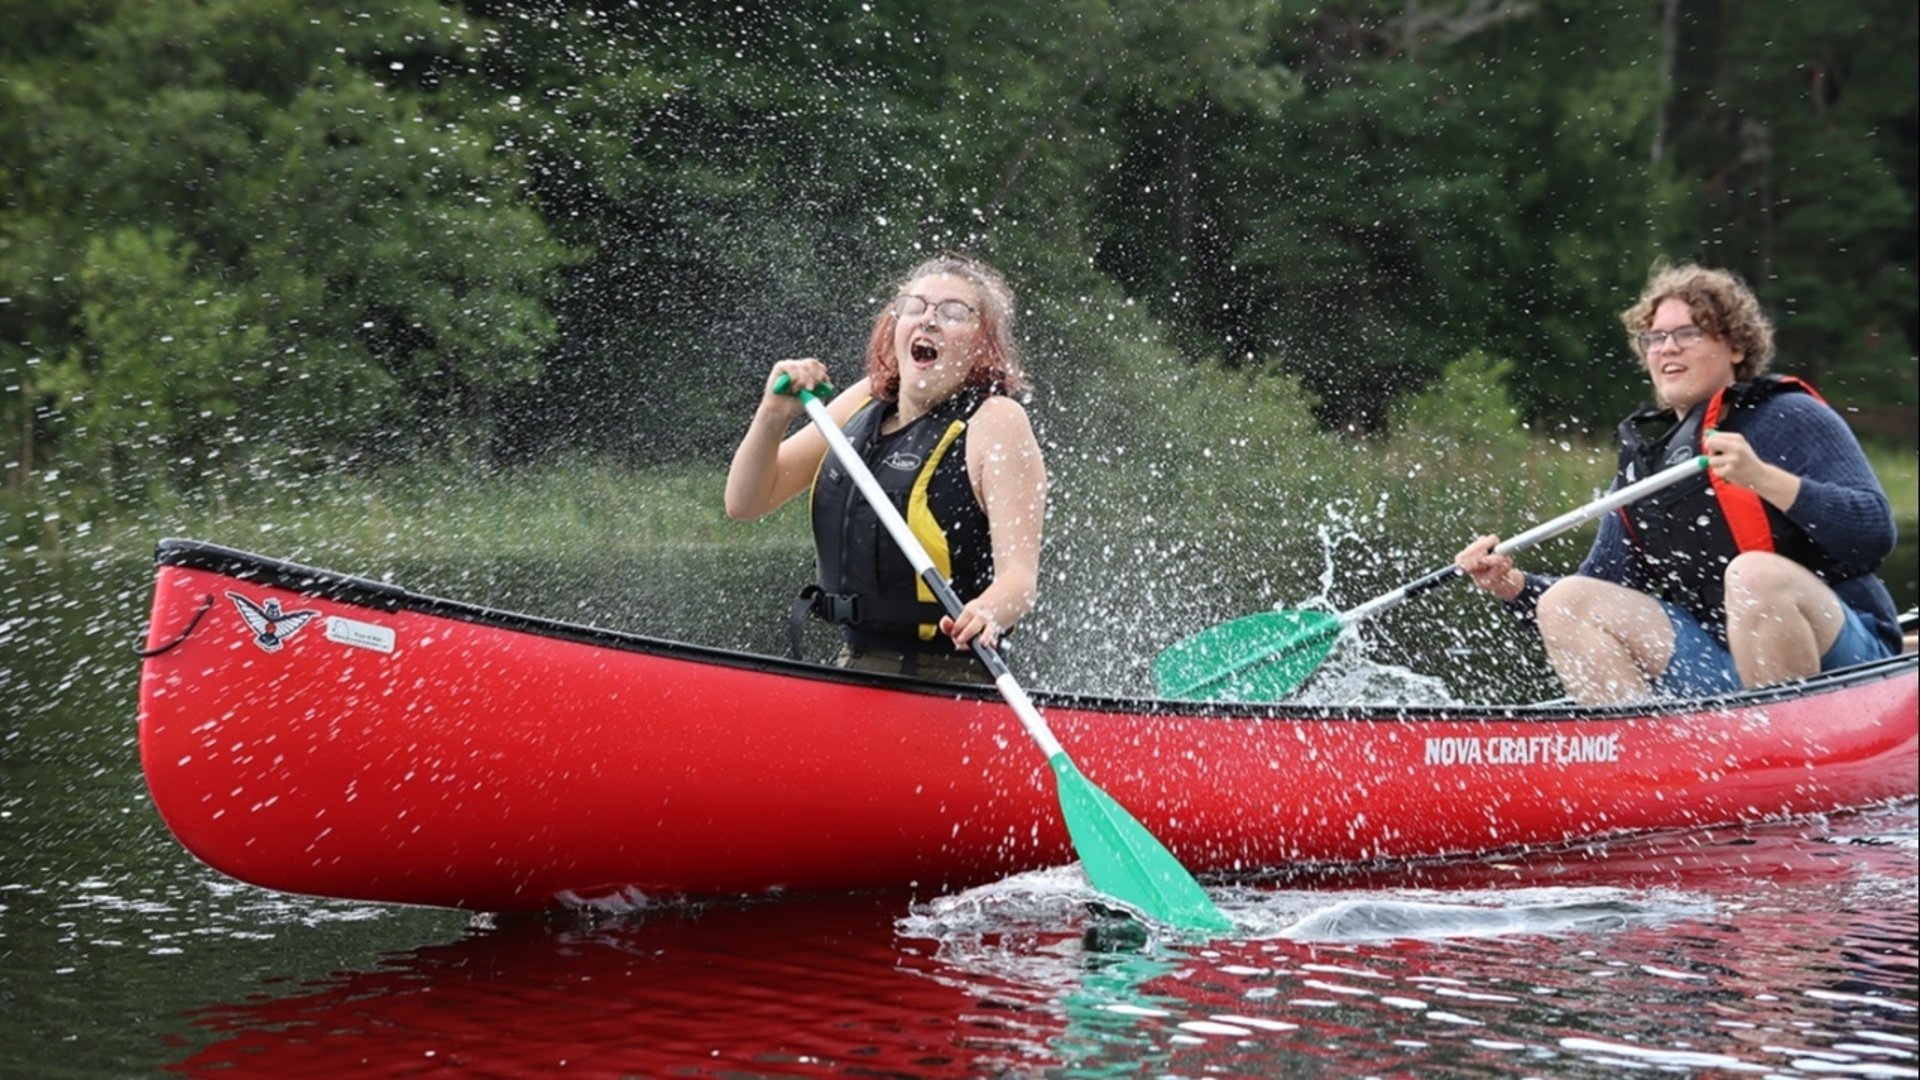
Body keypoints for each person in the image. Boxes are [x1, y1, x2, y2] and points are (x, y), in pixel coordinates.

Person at [1454, 262, 1900, 704]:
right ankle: (1643, 766)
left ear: (1736, 348)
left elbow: (1873, 534)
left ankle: (1787, 758)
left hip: (1846, 660)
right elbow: (1602, 584)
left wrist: (1763, 479)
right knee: (1567, 601)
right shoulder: (1651, 464)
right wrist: (1511, 586)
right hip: (1720, 665)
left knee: (1754, 575)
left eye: (1689, 334)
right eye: (1655, 338)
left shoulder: (1792, 417)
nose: (1668, 348)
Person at [723, 253, 1047, 681]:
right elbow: (746, 501)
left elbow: (1020, 581)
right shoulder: (862, 402)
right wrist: (772, 414)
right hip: (855, 668)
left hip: (952, 675)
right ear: (894, 328)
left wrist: (987, 610)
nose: (928, 320)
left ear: (982, 343)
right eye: (915, 306)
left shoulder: (997, 420)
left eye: (953, 313)